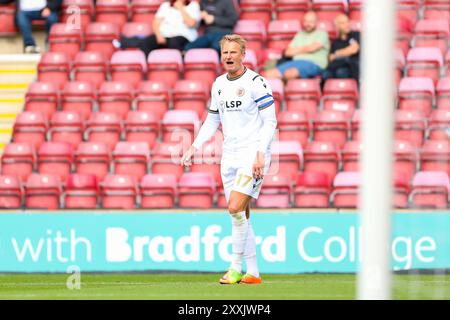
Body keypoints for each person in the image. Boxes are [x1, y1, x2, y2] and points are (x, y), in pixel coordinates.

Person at [180, 34, 277, 285]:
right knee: (241, 214)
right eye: (225, 53)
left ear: (243, 55)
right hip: (229, 155)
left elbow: (270, 122)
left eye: (234, 52)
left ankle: (234, 267)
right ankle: (253, 273)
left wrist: (259, 154)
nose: (229, 57)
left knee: (234, 208)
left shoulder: (257, 82)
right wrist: (194, 146)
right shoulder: (219, 84)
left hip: (253, 154)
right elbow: (213, 119)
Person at [114, 0, 201, 57]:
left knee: (175, 43)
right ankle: (148, 66)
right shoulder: (165, 5)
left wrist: (180, 8)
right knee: (147, 42)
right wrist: (159, 35)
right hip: (164, 35)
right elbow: (156, 22)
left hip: (182, 36)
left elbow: (191, 23)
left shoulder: (193, 6)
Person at [263, 11, 329, 81]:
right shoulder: (299, 34)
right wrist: (306, 48)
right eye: (306, 21)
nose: (308, 24)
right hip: (295, 62)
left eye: (311, 21)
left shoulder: (322, 34)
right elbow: (287, 52)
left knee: (289, 74)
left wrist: (296, 50)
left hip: (314, 64)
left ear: (316, 22)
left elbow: (312, 48)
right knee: (267, 74)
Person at [321, 14, 361, 86]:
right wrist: (345, 52)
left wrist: (337, 54)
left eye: (347, 22)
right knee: (325, 74)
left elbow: (353, 50)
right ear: (337, 26)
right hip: (338, 67)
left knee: (341, 72)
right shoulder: (335, 42)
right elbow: (330, 58)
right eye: (343, 23)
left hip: (353, 68)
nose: (347, 25)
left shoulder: (356, 35)